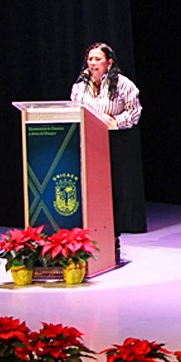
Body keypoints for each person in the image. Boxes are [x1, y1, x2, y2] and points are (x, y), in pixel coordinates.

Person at [69, 41, 147, 239]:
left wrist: (113, 122)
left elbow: (134, 112)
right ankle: (89, 235)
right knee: (89, 189)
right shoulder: (80, 86)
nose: (92, 63)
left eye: (98, 59)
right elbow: (74, 110)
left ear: (109, 63)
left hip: (114, 141)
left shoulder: (123, 84)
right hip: (87, 142)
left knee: (114, 190)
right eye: (90, 59)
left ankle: (113, 236)